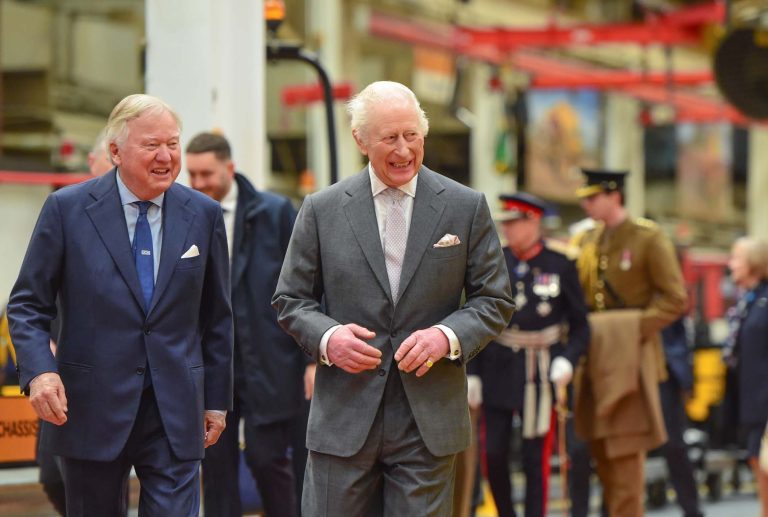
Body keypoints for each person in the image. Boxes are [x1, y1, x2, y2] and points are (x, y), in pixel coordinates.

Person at [272, 80, 515, 516]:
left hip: (427, 420)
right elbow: (291, 299)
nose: (403, 151)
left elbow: (495, 298)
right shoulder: (322, 209)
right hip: (343, 417)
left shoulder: (465, 206)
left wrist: (447, 336)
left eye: (412, 136)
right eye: (389, 138)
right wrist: (329, 340)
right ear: (360, 140)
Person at [7, 93, 233, 517]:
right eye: (151, 145)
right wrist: (39, 372)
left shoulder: (202, 214)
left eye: (172, 143)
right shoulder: (67, 210)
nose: (166, 156)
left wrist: (217, 400)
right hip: (90, 407)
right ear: (115, 152)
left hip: (175, 410)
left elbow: (217, 317)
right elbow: (26, 304)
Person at [186, 131, 310, 517]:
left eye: (206, 173)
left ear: (230, 168)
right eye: (192, 175)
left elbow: (309, 285)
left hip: (269, 360)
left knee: (267, 458)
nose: (199, 183)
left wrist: (311, 358)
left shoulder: (275, 213)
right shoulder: (186, 215)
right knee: (215, 468)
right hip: (212, 362)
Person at [570, 168, 687, 517]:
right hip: (591, 359)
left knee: (625, 455)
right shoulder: (585, 241)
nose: (586, 205)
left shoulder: (648, 238)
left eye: (593, 198)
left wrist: (630, 329)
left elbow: (674, 299)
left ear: (614, 195)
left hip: (631, 360)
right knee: (598, 453)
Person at [468, 192, 590, 517]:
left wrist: (568, 358)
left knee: (536, 456)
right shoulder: (493, 262)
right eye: (505, 223)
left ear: (534, 222)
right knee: (493, 452)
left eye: (514, 223)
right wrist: (472, 373)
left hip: (541, 367)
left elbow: (580, 324)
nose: (507, 229)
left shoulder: (561, 264)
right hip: (498, 365)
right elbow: (476, 318)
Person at [723, 236, 768, 517]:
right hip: (750, 403)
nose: (730, 264)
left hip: (766, 404)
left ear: (754, 263)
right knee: (758, 465)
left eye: (736, 258)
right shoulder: (746, 301)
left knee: (764, 466)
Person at [657, 316, 703, 517]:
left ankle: (692, 510)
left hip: (666, 373)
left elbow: (679, 329)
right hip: (630, 367)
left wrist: (684, 376)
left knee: (675, 446)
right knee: (625, 447)